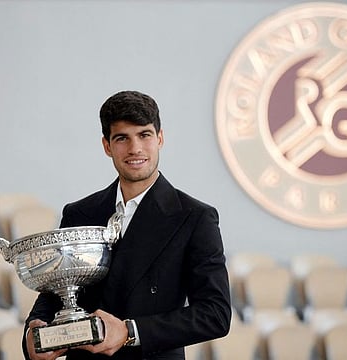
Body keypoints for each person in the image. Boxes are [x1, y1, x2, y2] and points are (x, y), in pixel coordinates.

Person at [22, 90, 231, 360]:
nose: (135, 149)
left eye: (144, 135)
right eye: (122, 138)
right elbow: (55, 293)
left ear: (160, 138)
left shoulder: (195, 217)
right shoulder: (79, 212)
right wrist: (32, 334)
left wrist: (129, 331)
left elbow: (215, 314)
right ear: (107, 145)